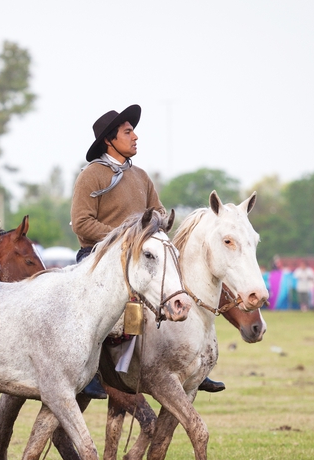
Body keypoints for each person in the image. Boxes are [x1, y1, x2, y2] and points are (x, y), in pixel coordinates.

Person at [70, 106, 223, 394]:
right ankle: (87, 374)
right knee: (97, 316)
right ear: (109, 140)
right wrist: (125, 239)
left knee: (176, 291)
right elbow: (81, 223)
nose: (135, 136)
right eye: (128, 132)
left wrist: (158, 224)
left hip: (140, 259)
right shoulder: (92, 175)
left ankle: (191, 367)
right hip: (100, 260)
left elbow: (158, 210)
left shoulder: (140, 175)